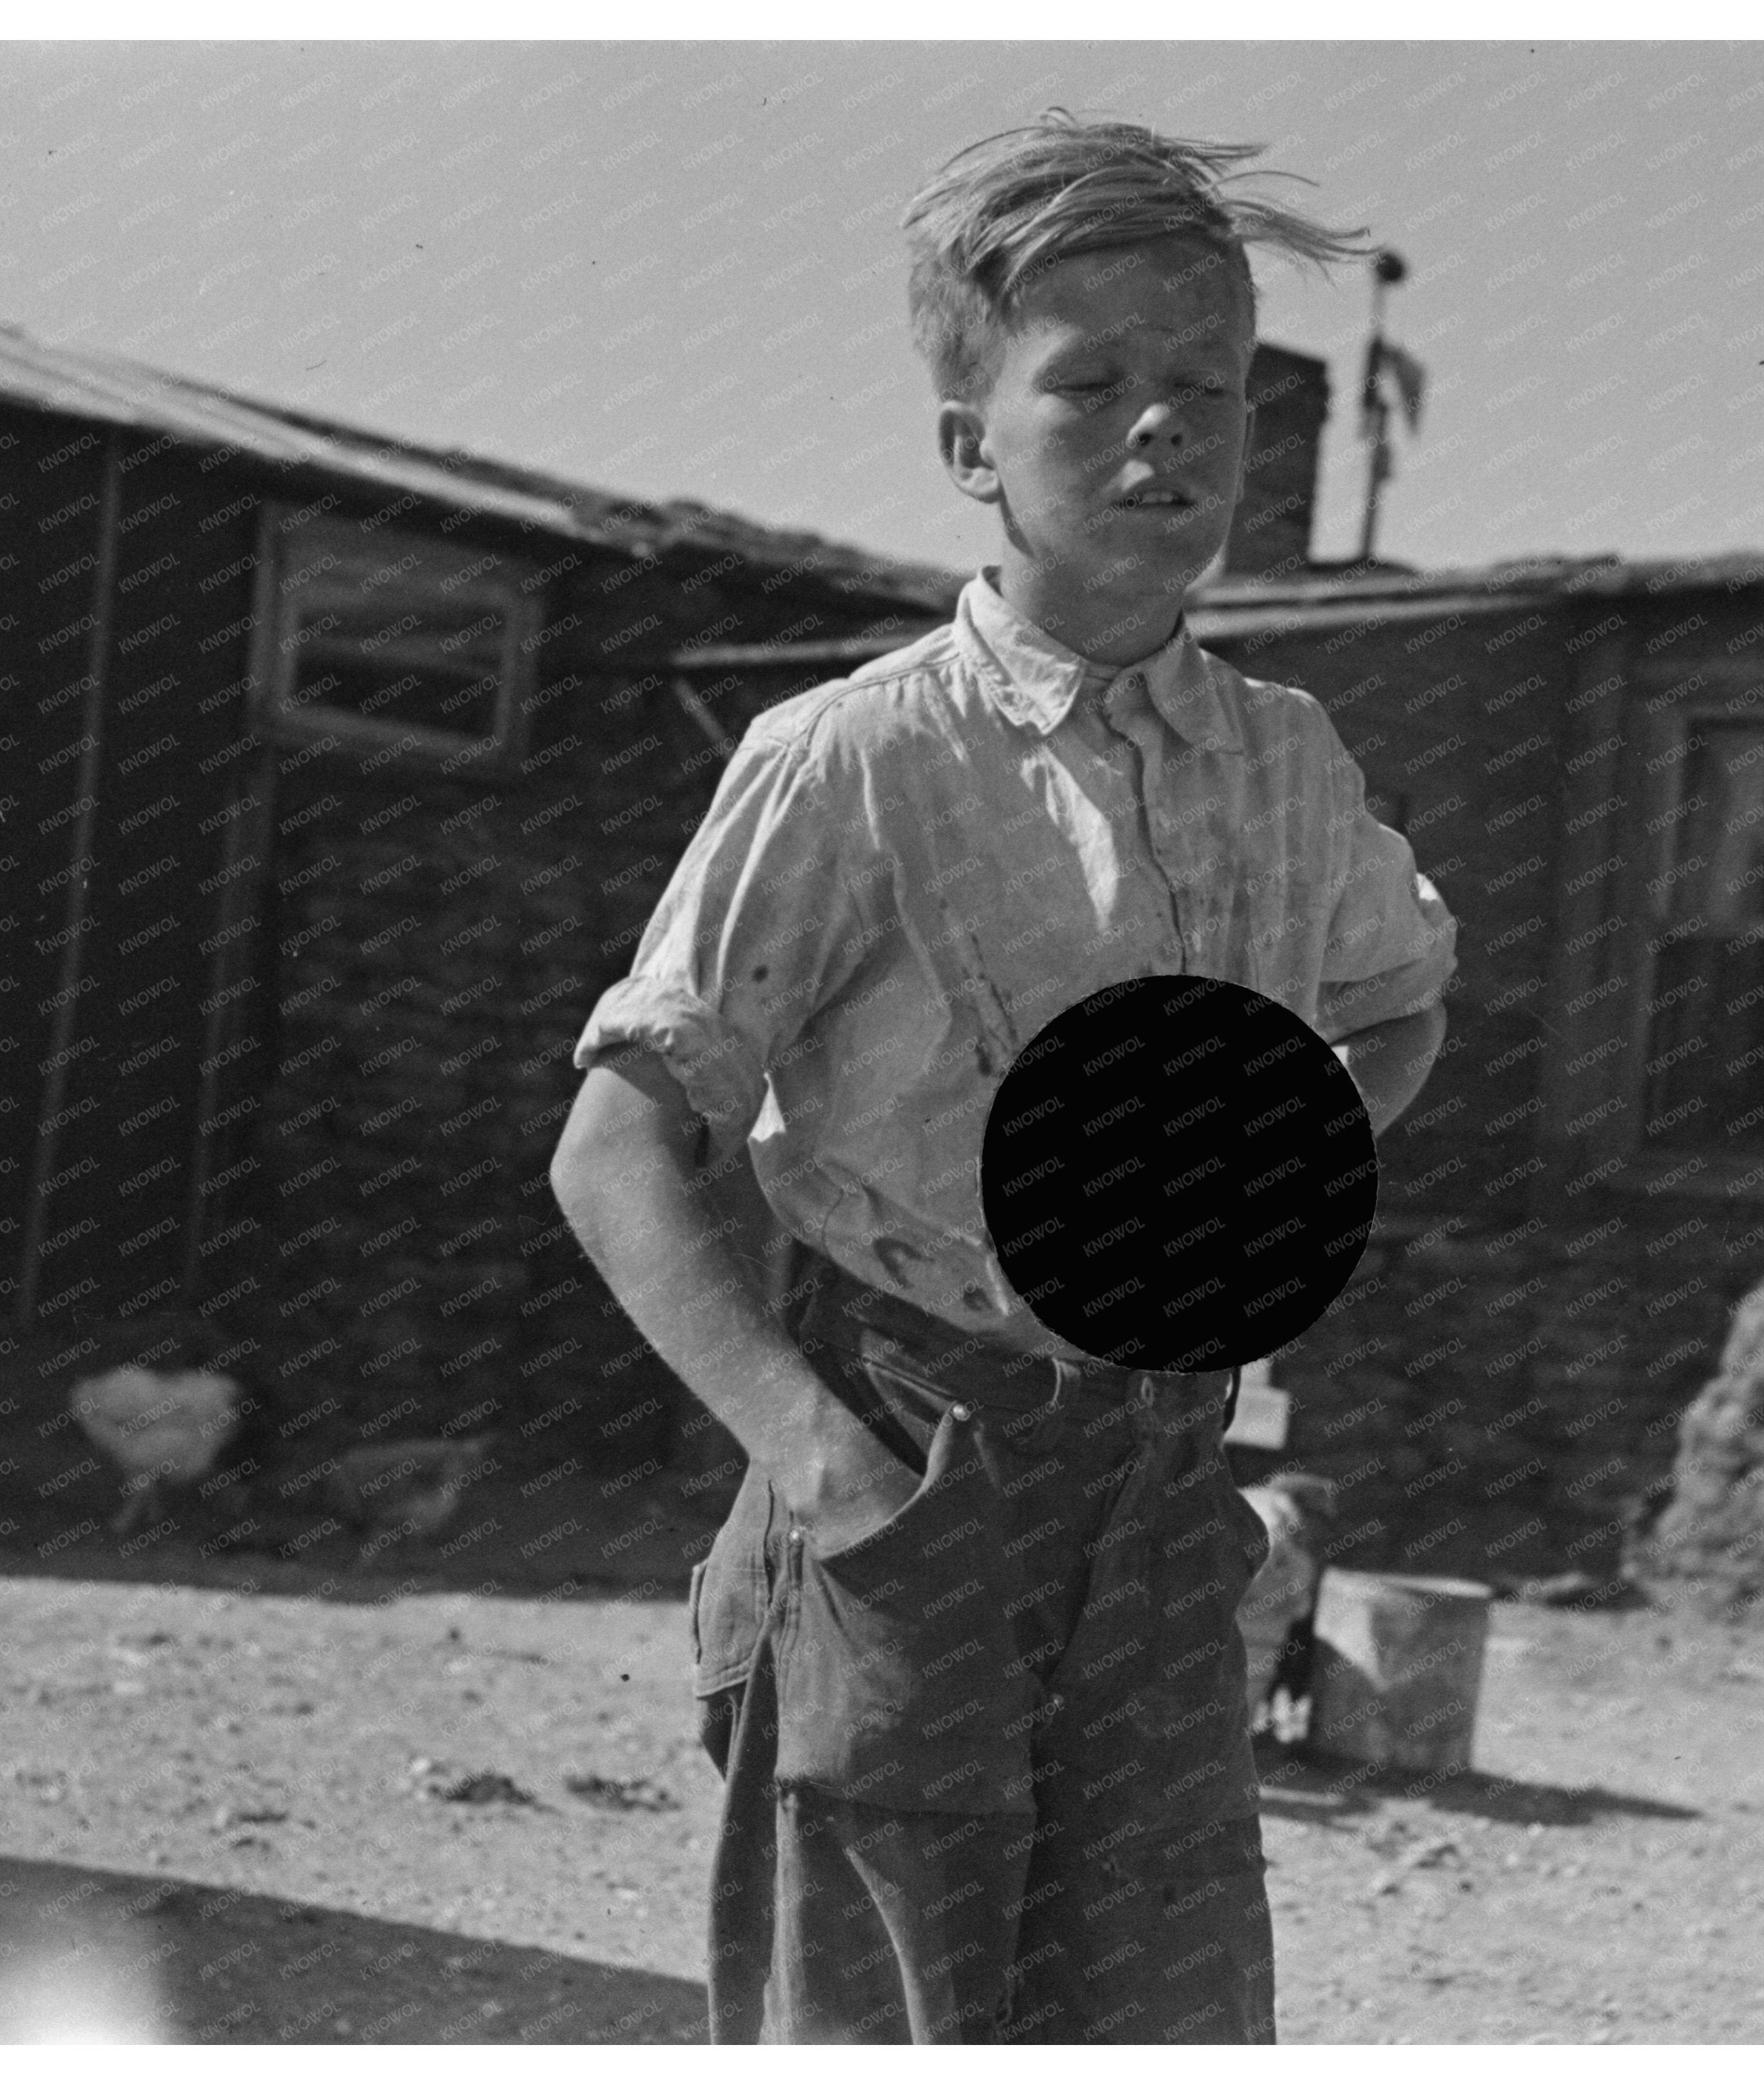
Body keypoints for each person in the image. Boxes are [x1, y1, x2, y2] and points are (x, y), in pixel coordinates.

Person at [549, 111, 1457, 2044]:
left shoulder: (1287, 763)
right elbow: (615, 1152)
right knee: (883, 2011)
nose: (1160, 432)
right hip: (910, 1450)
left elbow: (1396, 1002)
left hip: (1162, 1468)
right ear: (972, 444)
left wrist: (1263, 1164)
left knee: (1160, 2007)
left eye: (1203, 386)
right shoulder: (851, 759)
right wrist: (823, 1466)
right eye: (1093, 383)